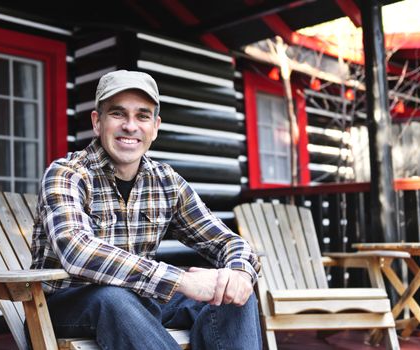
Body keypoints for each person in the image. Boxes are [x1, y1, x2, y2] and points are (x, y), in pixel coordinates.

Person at [30, 70, 262, 349]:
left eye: (142, 116)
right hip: (66, 306)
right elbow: (77, 251)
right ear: (97, 121)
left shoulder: (166, 181)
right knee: (113, 298)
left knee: (233, 294)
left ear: (155, 126)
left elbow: (227, 241)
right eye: (118, 114)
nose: (130, 126)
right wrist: (181, 281)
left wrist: (238, 274)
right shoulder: (67, 173)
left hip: (141, 301)